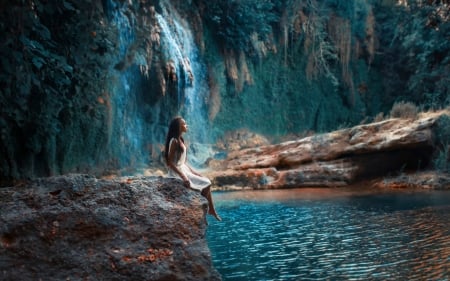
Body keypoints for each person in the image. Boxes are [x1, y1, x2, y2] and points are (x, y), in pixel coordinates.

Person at [164, 117, 221, 221]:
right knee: (206, 183)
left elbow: (183, 162)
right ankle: (202, 209)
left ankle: (210, 209)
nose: (186, 126)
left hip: (183, 169)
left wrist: (195, 173)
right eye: (184, 124)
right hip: (176, 173)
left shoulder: (181, 139)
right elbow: (170, 163)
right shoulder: (174, 141)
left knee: (206, 182)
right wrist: (183, 176)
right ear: (178, 127)